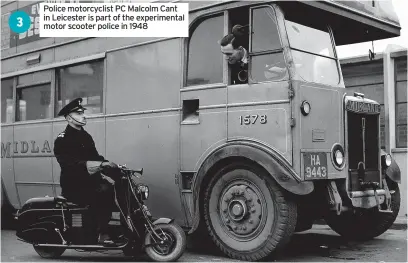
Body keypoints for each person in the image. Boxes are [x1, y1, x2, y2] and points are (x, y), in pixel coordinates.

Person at [53, 98, 118, 245]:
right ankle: (103, 232)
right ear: (69, 118)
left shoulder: (86, 136)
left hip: (90, 182)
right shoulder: (62, 139)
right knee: (104, 190)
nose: (83, 116)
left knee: (120, 186)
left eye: (83, 112)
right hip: (74, 187)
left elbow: (95, 157)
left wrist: (112, 166)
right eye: (78, 113)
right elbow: (70, 165)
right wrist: (100, 164)